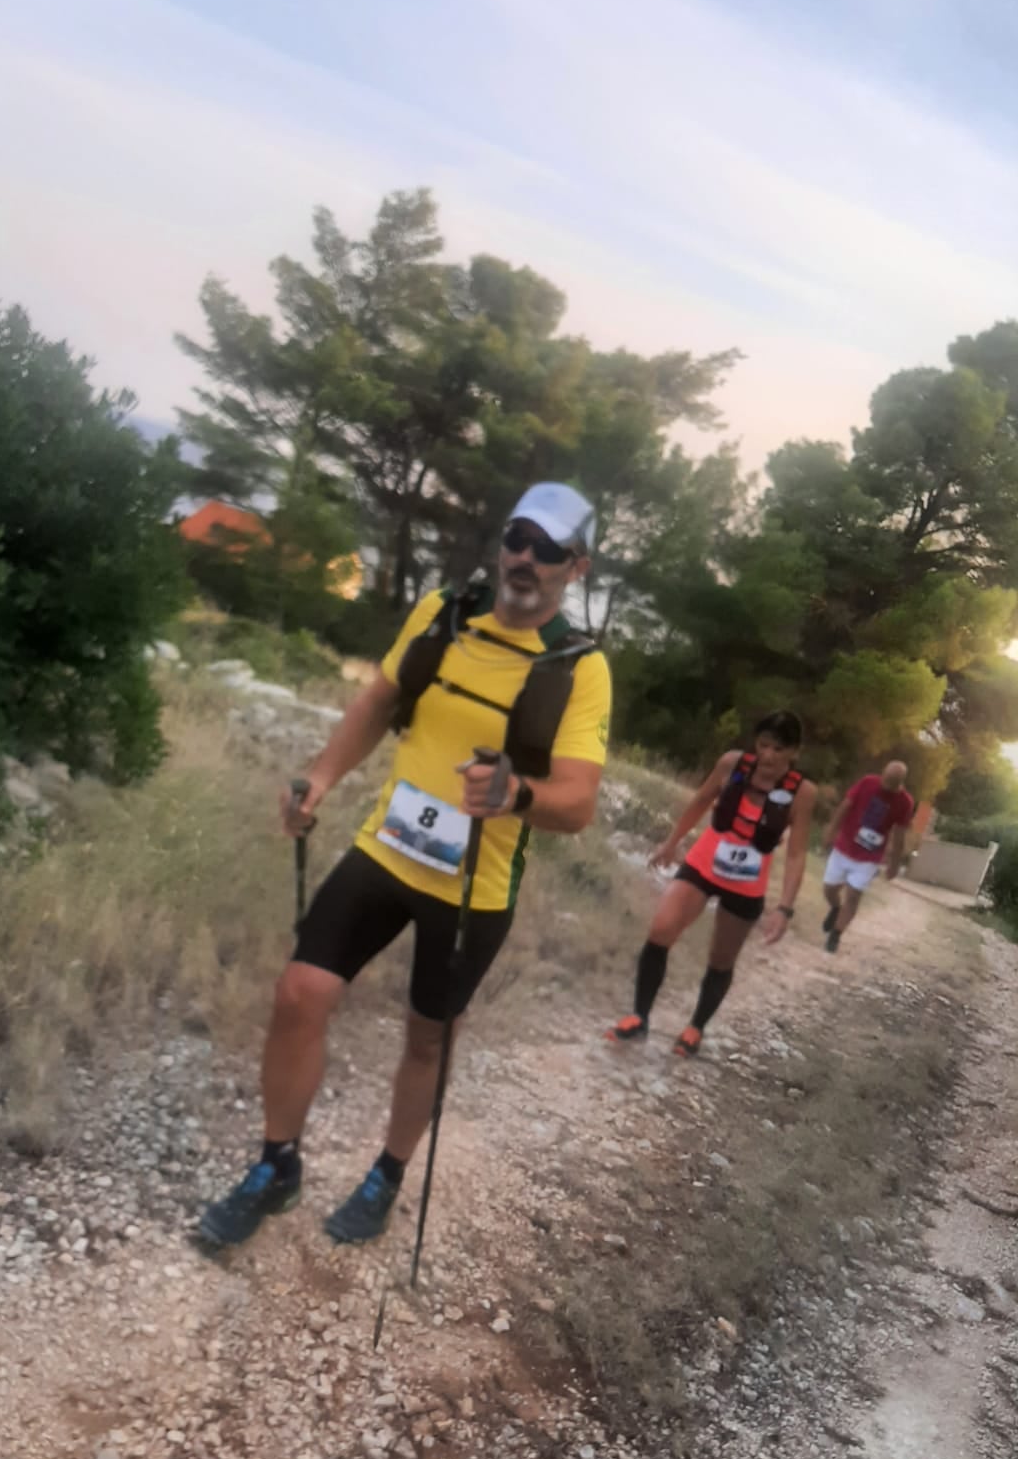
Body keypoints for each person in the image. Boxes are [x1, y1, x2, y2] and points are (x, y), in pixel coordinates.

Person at [196, 482, 613, 1251]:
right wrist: (320, 779)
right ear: (502, 543)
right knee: (299, 993)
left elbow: (578, 802)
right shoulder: (442, 615)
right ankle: (276, 1165)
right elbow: (378, 703)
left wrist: (517, 794)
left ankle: (386, 1176)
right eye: (517, 538)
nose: (526, 558)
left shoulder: (578, 669)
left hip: (473, 888)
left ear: (575, 568)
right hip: (386, 849)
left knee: (426, 1038)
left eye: (548, 548)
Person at [605, 712, 816, 1057]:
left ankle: (695, 1028)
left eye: (778, 749)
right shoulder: (732, 764)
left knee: (721, 959)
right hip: (704, 864)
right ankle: (639, 1017)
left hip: (747, 883)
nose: (768, 755)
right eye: (763, 745)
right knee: (661, 930)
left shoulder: (802, 793)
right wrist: (671, 843)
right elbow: (700, 801)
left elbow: (796, 853)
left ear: (794, 752)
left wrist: (785, 908)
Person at [821, 760, 913, 954]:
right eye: (885, 780)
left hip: (869, 857)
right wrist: (831, 831)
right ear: (882, 773)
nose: (885, 786)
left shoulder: (905, 802)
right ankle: (835, 908)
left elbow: (899, 836)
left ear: (900, 783)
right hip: (844, 846)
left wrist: (894, 864)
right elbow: (845, 806)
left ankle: (836, 935)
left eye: (891, 784)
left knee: (853, 896)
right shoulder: (867, 782)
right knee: (829, 889)